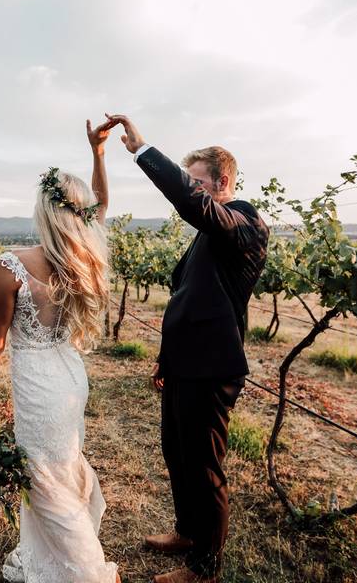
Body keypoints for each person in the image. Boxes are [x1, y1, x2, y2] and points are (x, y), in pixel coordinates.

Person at [105, 113, 269, 583]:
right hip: (184, 363)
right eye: (190, 182)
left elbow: (195, 206)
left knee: (204, 466)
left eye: (198, 183)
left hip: (213, 368)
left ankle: (204, 569)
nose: (192, 190)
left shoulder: (246, 224)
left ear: (221, 183)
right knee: (177, 453)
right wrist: (166, 358)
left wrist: (143, 151)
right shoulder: (210, 233)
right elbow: (188, 299)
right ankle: (187, 533)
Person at [0, 118, 120, 583]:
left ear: (44, 211)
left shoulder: (13, 265)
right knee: (60, 467)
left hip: (38, 387)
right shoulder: (81, 258)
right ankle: (49, 562)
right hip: (71, 378)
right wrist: (98, 154)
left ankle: (92, 574)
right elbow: (102, 205)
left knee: (43, 479)